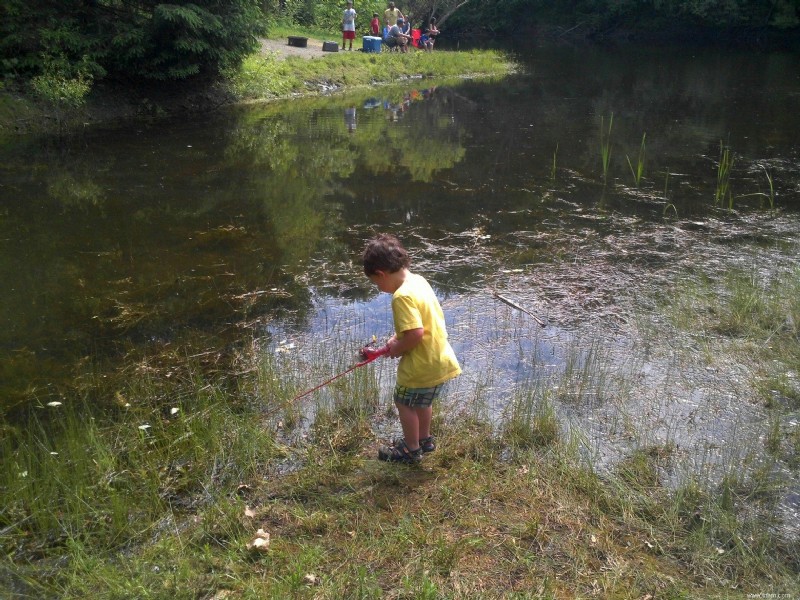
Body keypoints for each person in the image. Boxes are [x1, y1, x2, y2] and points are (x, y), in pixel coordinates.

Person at [362, 234, 462, 464]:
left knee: (404, 402)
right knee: (422, 402)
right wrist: (396, 339)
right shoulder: (418, 281)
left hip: (420, 364)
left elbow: (416, 334)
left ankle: (410, 449)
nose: (379, 288)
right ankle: (424, 439)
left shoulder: (401, 297)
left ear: (381, 274)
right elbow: (420, 323)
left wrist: (396, 348)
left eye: (377, 284)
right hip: (439, 359)